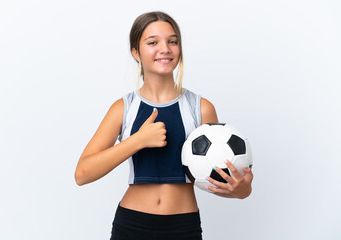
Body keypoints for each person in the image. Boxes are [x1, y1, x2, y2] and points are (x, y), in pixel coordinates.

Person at [74, 11, 253, 240]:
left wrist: (242, 190)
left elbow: (216, 179)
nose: (165, 48)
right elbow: (82, 174)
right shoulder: (123, 108)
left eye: (172, 41)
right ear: (136, 52)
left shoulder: (201, 108)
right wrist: (137, 141)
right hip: (131, 224)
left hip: (183, 226)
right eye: (153, 42)